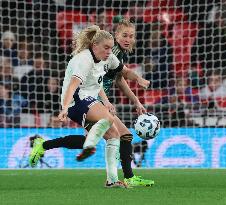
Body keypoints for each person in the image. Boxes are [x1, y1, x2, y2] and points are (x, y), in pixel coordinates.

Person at [29, 20, 154, 187]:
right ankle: (92, 147)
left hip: (91, 99)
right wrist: (65, 107)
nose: (110, 51)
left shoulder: (109, 56)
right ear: (97, 45)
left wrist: (138, 79)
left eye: (131, 36)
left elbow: (118, 74)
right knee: (108, 123)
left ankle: (113, 180)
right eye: (124, 35)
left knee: (116, 135)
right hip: (77, 100)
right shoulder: (86, 59)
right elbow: (75, 85)